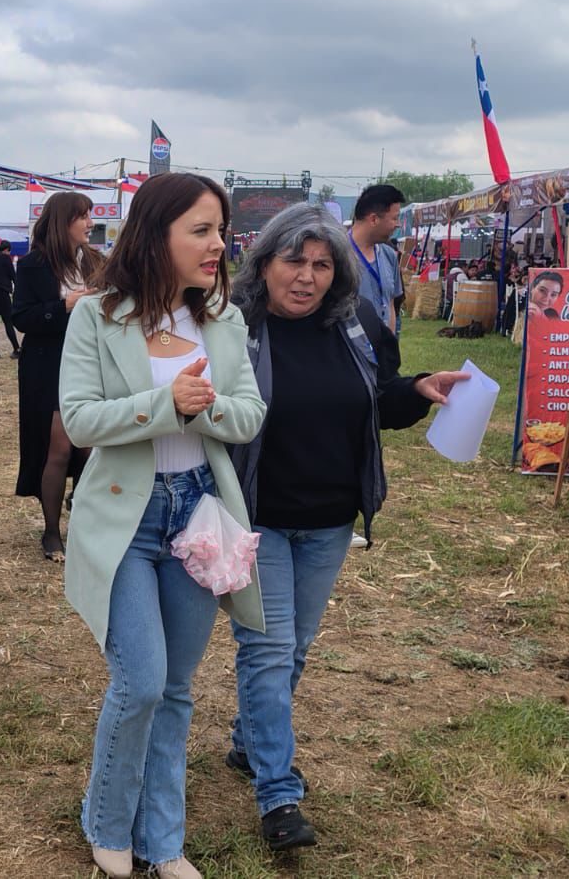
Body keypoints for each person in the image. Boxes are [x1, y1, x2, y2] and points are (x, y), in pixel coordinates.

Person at [223, 203, 468, 849]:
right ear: (265, 263)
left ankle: (250, 740)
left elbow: (376, 400)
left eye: (322, 264)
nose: (307, 276)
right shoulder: (234, 331)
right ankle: (278, 796)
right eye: (294, 261)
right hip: (258, 519)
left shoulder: (352, 325)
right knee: (269, 651)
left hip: (330, 520)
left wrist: (417, 388)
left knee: (294, 648)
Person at [60, 172, 266, 879]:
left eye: (220, 230)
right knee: (141, 680)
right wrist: (163, 405)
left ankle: (163, 844)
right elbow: (81, 419)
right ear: (157, 234)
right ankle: (105, 819)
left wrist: (199, 407)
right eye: (201, 230)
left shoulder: (224, 320)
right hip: (125, 517)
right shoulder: (97, 315)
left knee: (177, 686)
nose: (218, 245)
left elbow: (247, 415)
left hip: (201, 511)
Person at [13, 191, 104, 561]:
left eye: (90, 216)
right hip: (47, 366)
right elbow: (22, 318)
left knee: (90, 448)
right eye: (83, 216)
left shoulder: (98, 261)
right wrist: (63, 306)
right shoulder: (34, 264)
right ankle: (52, 532)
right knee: (59, 448)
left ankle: (82, 520)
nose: (89, 223)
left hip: (91, 364)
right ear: (63, 221)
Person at [347, 184, 406, 334]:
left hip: (381, 351)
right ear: (374, 219)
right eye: (395, 218)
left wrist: (389, 344)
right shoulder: (336, 255)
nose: (398, 225)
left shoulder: (389, 255)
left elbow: (390, 303)